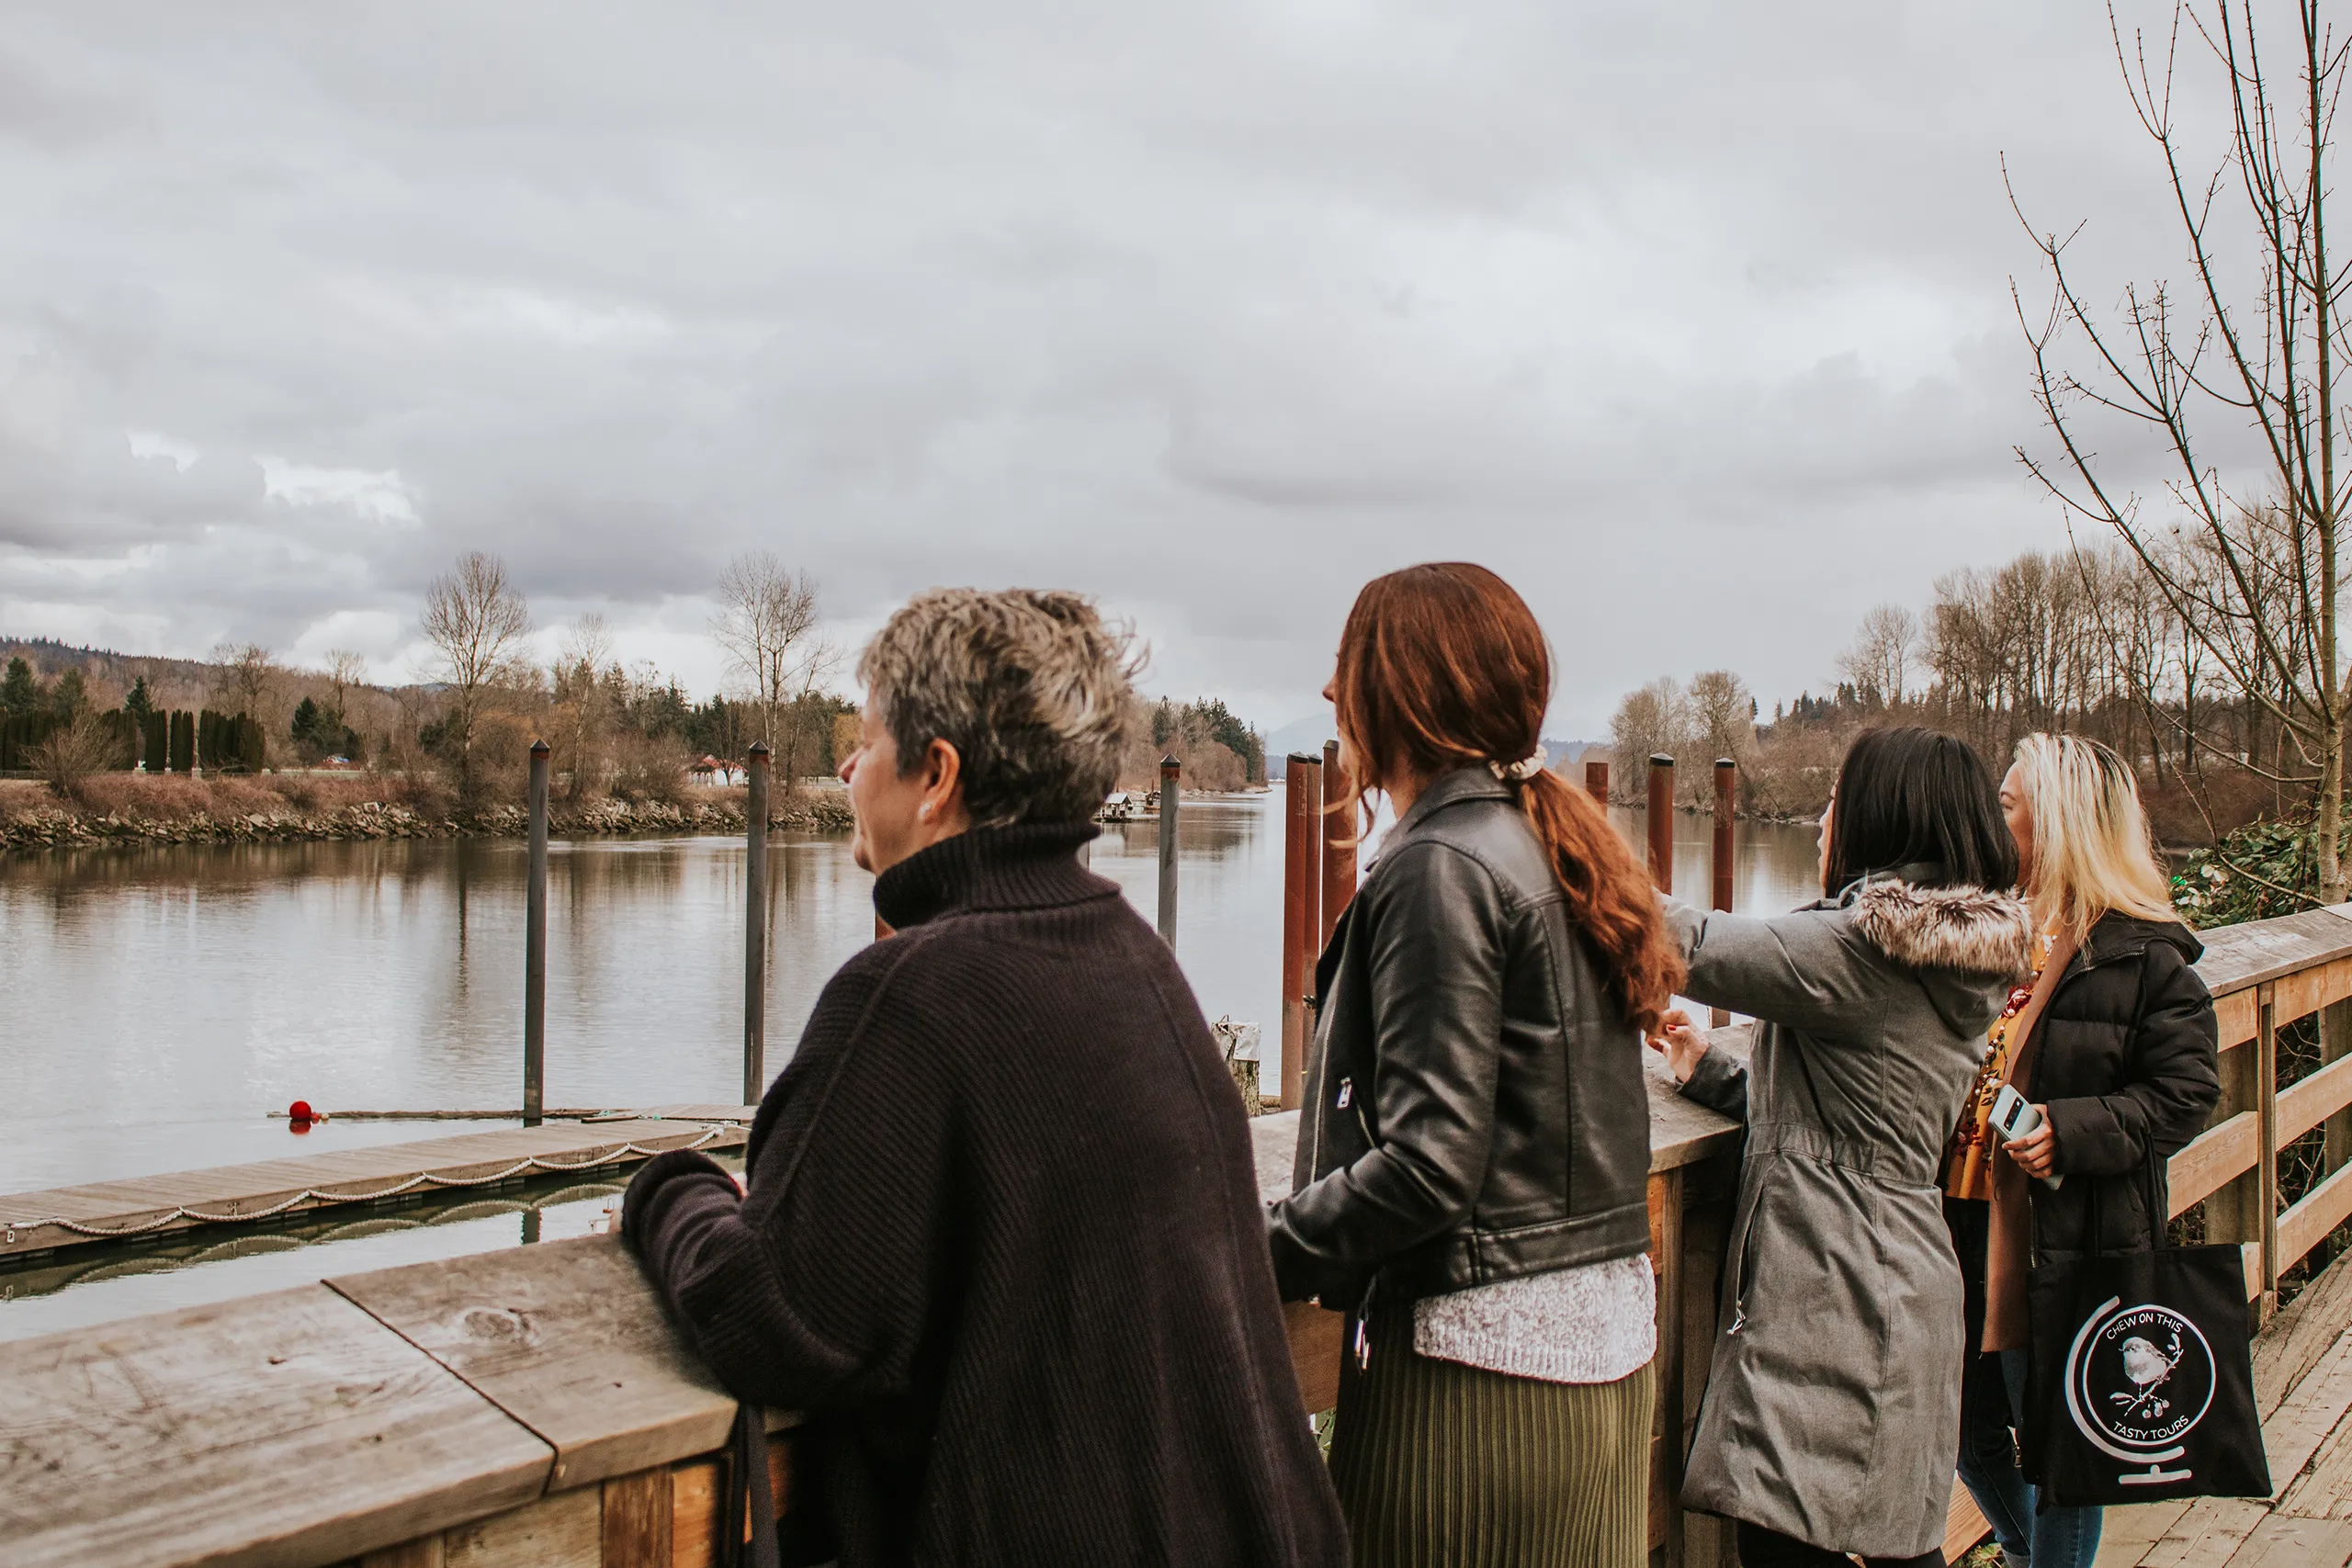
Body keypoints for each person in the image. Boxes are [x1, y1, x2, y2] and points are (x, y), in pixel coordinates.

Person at [623, 587, 1349, 1568]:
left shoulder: (912, 992)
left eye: (868, 740)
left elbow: (775, 1316)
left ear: (936, 778)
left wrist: (672, 1190)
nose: (845, 766)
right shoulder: (1132, 954)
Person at [1267, 562, 1683, 1568]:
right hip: (1599, 1357)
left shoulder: (1439, 866)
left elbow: (1428, 1165)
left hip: (1480, 1381)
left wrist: (1253, 1246)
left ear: (1409, 691)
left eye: (1348, 666)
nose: (1331, 694)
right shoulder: (1544, 845)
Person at [1649, 726, 2032, 1568]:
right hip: (1901, 1287)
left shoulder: (1866, 949)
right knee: (1897, 1551)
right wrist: (1710, 1069)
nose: (1822, 823)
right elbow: (1862, 1118)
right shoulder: (1945, 958)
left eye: (1834, 804)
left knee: (1794, 1550)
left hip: (1832, 1306)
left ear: (1879, 821)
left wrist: (1554, 842)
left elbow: (1693, 943)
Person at [1941, 734, 2219, 1568]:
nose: (1997, 816)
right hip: (1962, 1230)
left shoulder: (2146, 952)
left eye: (2009, 802)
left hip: (2067, 1243)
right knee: (1964, 1432)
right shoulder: (2000, 933)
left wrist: (2070, 1129)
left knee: (2066, 1459)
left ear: (2056, 822)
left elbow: (2186, 1094)